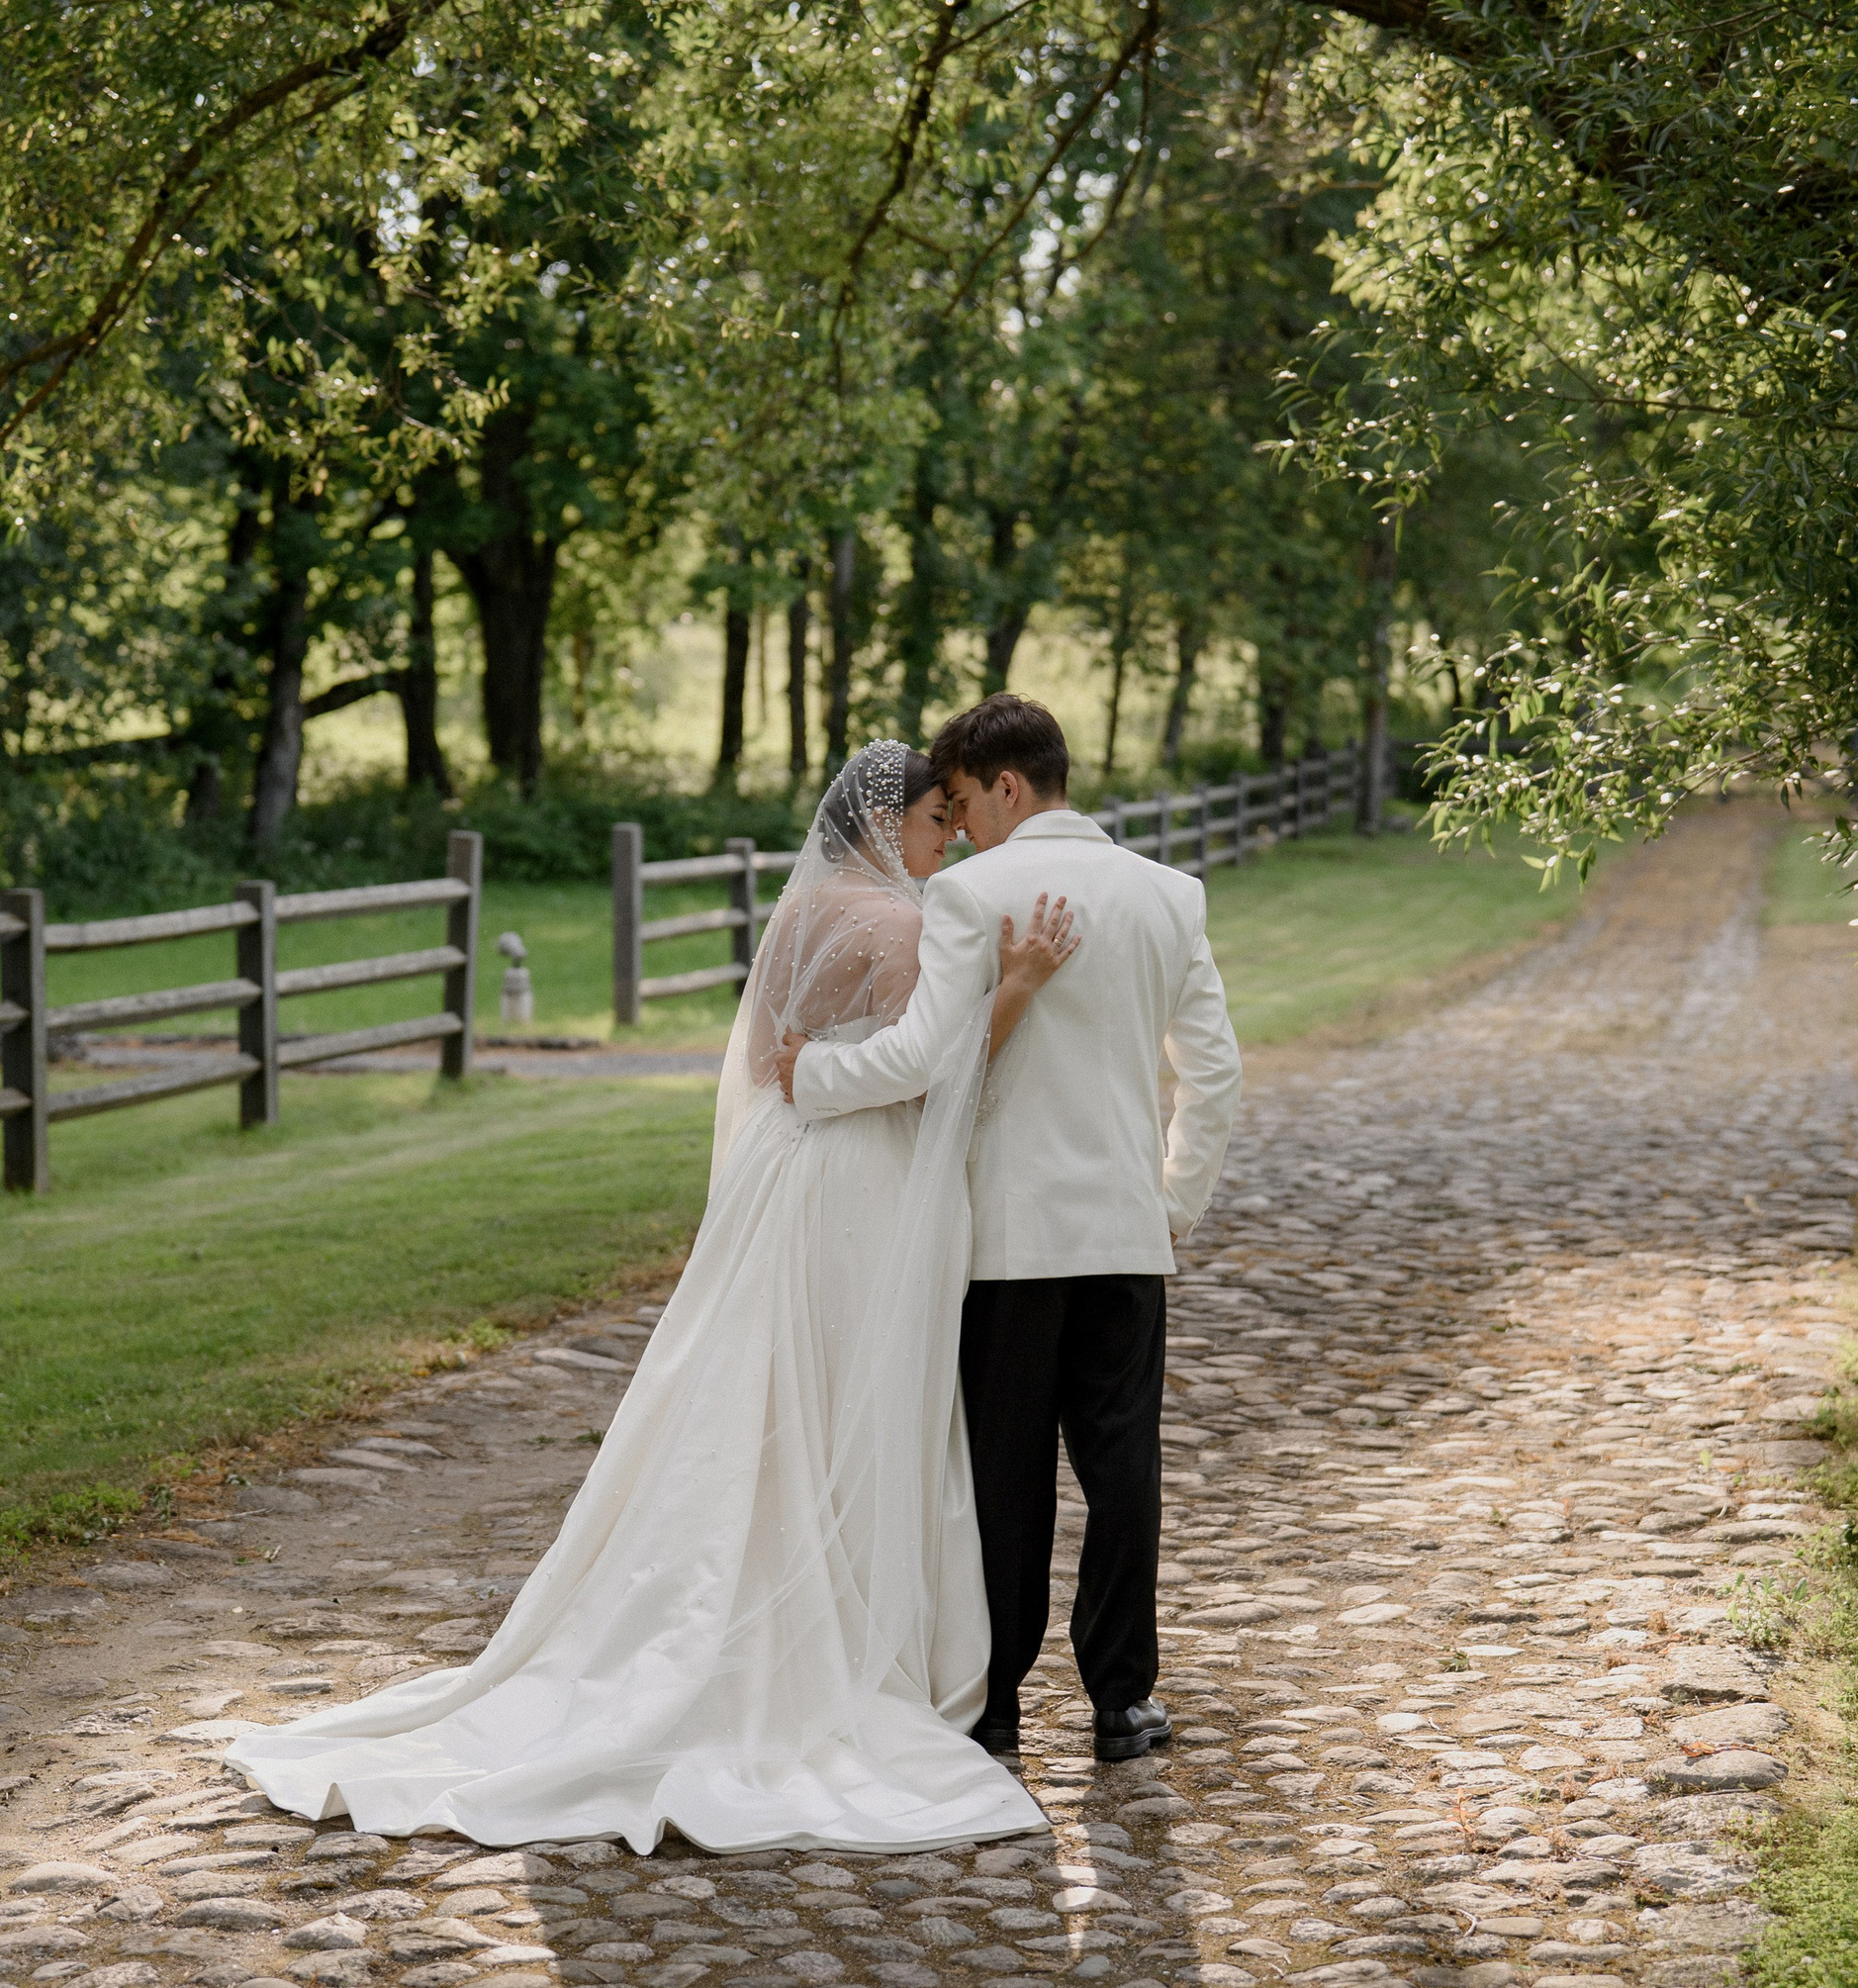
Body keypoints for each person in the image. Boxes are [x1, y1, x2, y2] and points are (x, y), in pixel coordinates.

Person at [227, 741, 1074, 1853]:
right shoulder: (897, 924)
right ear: (887, 822)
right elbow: (927, 1073)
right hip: (855, 1183)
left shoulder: (804, 909)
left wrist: (821, 1071)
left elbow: (772, 1066)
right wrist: (1014, 988)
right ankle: (830, 1634)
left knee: (767, 1393)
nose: (948, 841)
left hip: (781, 1178)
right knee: (847, 1400)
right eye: (934, 821)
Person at [782, 695, 1242, 1765]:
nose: (964, 830)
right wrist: (1169, 1205)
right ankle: (1122, 1702)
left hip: (1004, 1245)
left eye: (965, 804)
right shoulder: (1169, 894)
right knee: (1124, 1472)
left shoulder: (971, 894)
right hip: (1125, 1236)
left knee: (1005, 1477)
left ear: (1007, 785)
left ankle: (994, 1709)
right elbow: (1214, 1076)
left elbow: (921, 1059)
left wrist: (810, 1075)